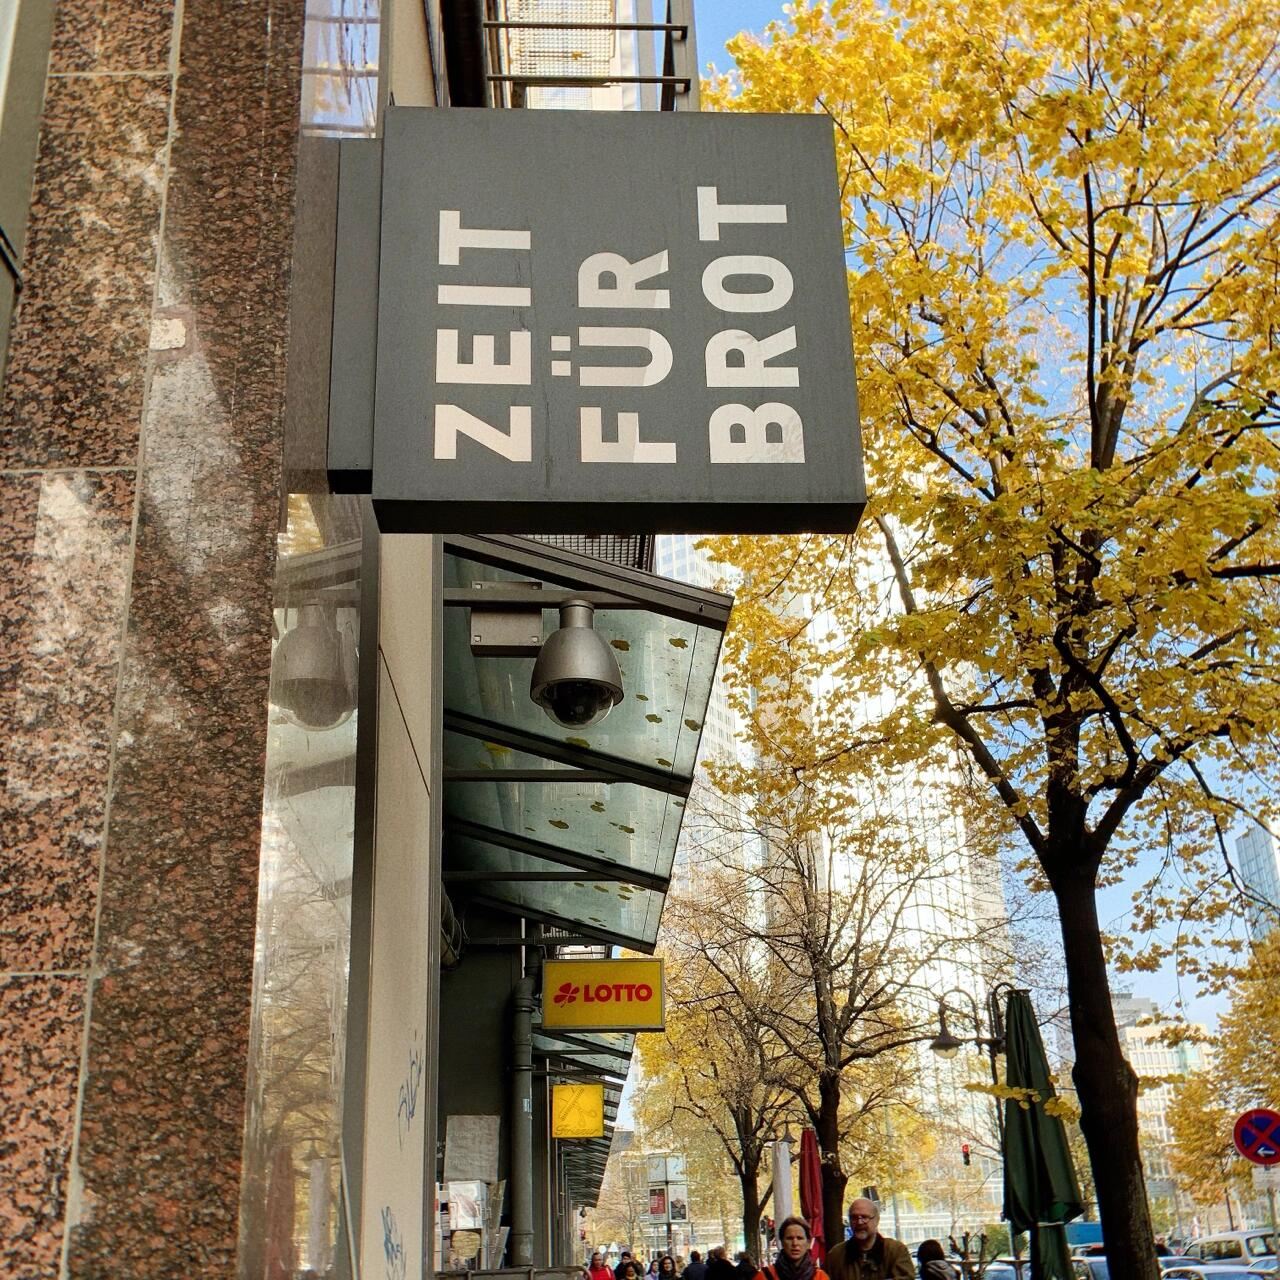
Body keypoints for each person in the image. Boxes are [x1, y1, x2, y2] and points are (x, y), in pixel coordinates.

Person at [824, 1198, 913, 1280]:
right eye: (854, 1218)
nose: (859, 1222)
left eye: (865, 1217)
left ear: (877, 1220)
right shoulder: (836, 1256)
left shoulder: (895, 1251)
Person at [754, 1215, 831, 1280]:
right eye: (789, 1238)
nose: (795, 1243)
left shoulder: (820, 1277)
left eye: (800, 1238)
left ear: (808, 1243)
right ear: (782, 1242)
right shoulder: (764, 1276)